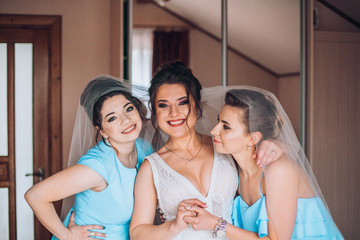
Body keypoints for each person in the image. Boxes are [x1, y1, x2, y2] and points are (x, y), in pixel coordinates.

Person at [129, 61, 282, 239]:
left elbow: (257, 156)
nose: (174, 112)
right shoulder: (151, 168)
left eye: (182, 102)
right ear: (154, 111)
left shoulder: (224, 148)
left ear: (196, 104)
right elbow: (137, 233)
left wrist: (278, 145)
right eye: (163, 105)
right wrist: (174, 225)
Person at [182, 87, 344, 239]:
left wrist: (215, 223)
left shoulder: (278, 170)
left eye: (226, 127)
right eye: (219, 121)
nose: (213, 131)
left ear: (252, 138)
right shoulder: (235, 169)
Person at [25, 75, 153, 240]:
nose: (126, 120)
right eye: (112, 118)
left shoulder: (144, 147)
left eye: (128, 109)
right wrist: (66, 235)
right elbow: (35, 195)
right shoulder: (97, 167)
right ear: (102, 131)